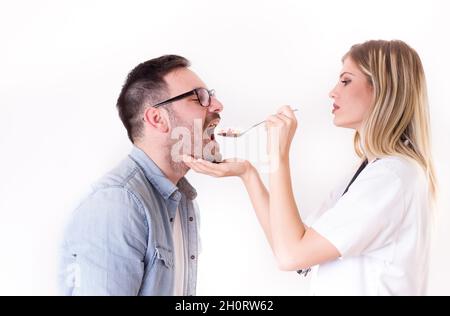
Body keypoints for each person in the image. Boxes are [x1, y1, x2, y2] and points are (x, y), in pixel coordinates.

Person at [184, 40, 437, 295]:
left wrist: (278, 154)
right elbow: (290, 243)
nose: (332, 92)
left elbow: (290, 254)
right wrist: (248, 174)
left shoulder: (390, 177)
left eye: (346, 81)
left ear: (383, 89)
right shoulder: (370, 172)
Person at [59, 55, 224, 295]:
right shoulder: (117, 204)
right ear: (157, 119)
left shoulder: (184, 203)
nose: (217, 105)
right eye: (199, 97)